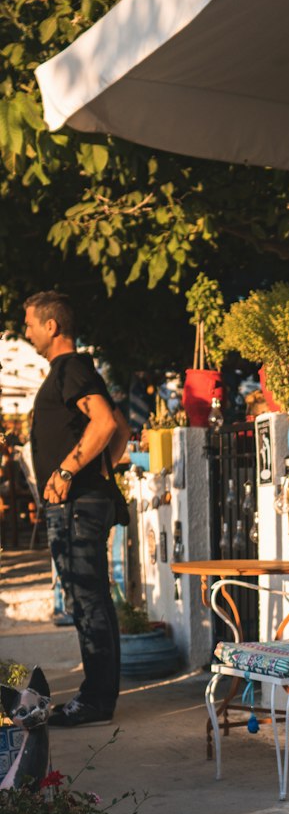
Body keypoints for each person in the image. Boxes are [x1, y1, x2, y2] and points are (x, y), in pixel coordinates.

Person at [24, 291, 130, 727]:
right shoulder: (74, 370)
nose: (26, 331)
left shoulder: (70, 368)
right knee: (90, 599)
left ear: (52, 326)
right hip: (81, 502)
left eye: (29, 323)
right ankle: (98, 697)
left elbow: (106, 422)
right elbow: (121, 428)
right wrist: (100, 471)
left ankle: (95, 701)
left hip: (76, 507)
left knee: (87, 601)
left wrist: (69, 472)